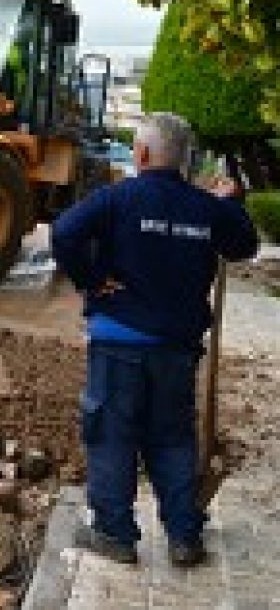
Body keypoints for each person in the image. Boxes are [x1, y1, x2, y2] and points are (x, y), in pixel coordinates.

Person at [52, 112, 259, 568]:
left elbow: (63, 233)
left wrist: (91, 279)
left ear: (141, 154)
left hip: (118, 342)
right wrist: (231, 203)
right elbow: (245, 246)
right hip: (176, 348)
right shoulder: (205, 208)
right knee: (172, 438)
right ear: (186, 161)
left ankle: (114, 533)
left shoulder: (117, 198)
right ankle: (184, 536)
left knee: (111, 434)